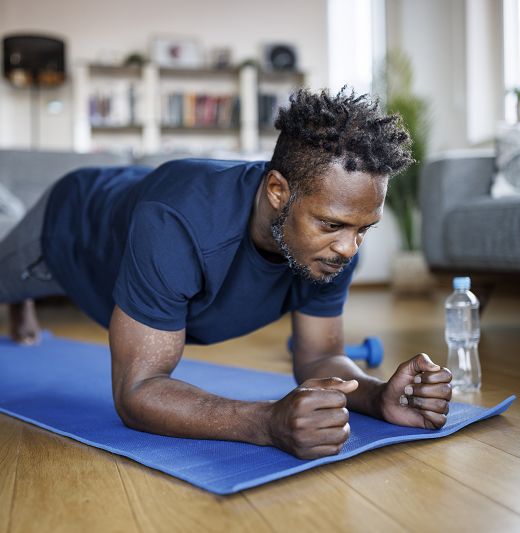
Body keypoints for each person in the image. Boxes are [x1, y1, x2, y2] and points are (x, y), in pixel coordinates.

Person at [0, 88, 452, 460]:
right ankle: (20, 295)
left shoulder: (334, 243)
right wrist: (266, 421)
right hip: (69, 225)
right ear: (277, 191)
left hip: (137, 204)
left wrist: (378, 397)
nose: (348, 248)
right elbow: (137, 390)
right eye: (332, 225)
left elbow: (317, 359)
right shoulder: (176, 223)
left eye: (363, 230)